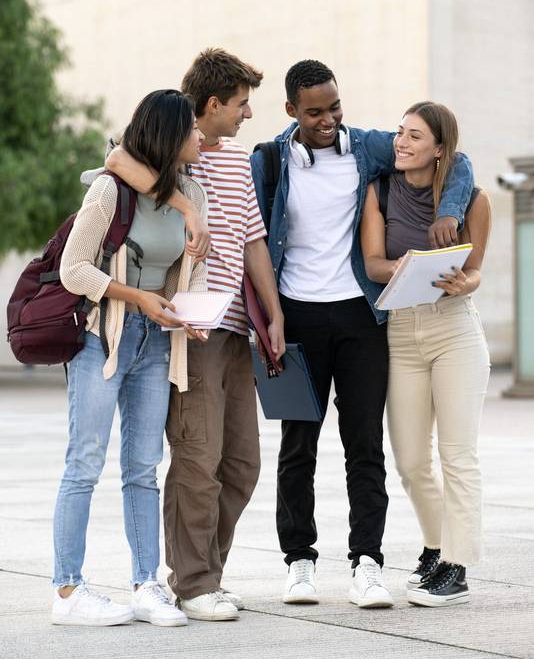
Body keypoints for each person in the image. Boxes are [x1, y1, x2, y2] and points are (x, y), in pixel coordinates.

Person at [250, 61, 474, 608]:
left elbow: (458, 159)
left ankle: (367, 563)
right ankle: (299, 562)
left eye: (334, 107)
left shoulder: (368, 148)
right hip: (295, 317)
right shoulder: (272, 160)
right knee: (297, 446)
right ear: (291, 112)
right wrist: (263, 318)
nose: (328, 120)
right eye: (314, 111)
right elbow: (251, 239)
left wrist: (448, 211)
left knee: (364, 445)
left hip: (359, 318)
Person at [106, 48, 285, 621]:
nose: (246, 116)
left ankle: (208, 571)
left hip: (237, 331)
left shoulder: (235, 161)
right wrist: (184, 201)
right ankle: (193, 581)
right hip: (189, 331)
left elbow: (253, 238)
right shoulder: (166, 152)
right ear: (212, 104)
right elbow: (115, 161)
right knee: (197, 457)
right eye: (240, 104)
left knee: (242, 464)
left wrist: (274, 313)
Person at [52, 89, 208, 627]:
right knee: (84, 464)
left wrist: (190, 313)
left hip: (155, 341)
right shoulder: (109, 191)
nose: (201, 137)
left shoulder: (191, 192)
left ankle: (146, 585)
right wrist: (138, 298)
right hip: (103, 337)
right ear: (168, 135)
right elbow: (75, 270)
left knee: (143, 469)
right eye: (192, 129)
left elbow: (185, 275)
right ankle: (68, 592)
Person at [361, 101, 491, 607]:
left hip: (454, 329)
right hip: (401, 328)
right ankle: (439, 546)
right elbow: (373, 264)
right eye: (400, 133)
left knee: (458, 454)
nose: (401, 143)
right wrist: (412, 267)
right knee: (412, 460)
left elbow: (477, 270)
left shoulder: (473, 200)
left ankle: (456, 567)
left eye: (415, 137)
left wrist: (463, 283)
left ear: (440, 150)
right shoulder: (380, 190)